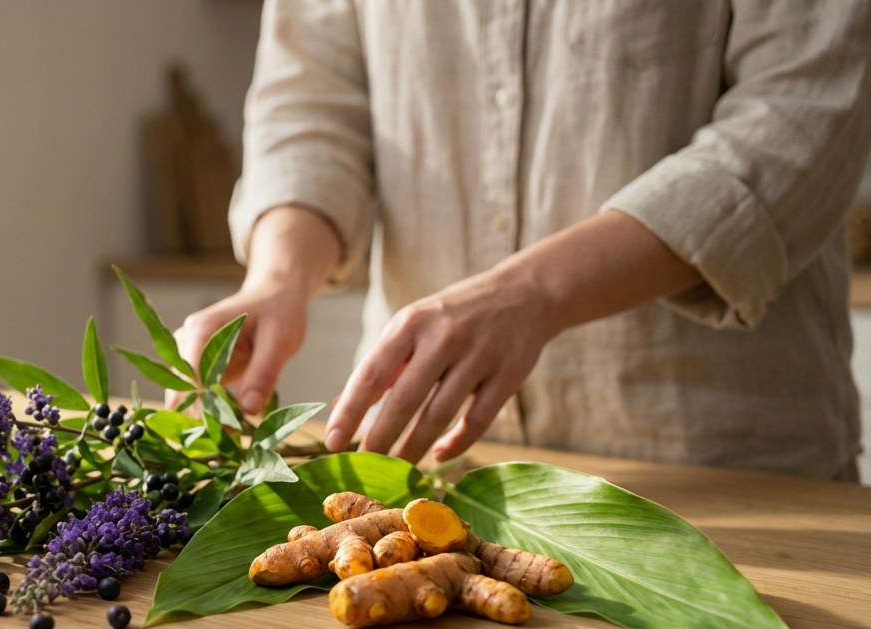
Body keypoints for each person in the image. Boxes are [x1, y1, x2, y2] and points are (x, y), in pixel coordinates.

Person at [171, 1, 871, 480]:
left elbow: (800, 115)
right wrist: (279, 278)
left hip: (723, 472)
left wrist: (534, 293)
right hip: (429, 468)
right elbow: (310, 102)